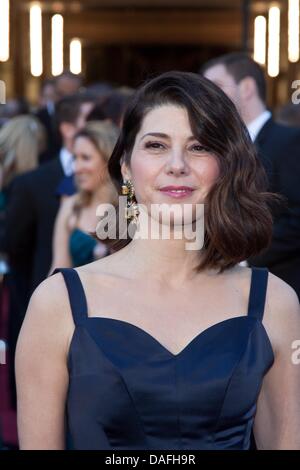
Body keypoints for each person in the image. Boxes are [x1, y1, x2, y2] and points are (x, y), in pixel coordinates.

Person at [16, 71, 300, 450]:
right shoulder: (57, 303)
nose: (177, 164)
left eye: (199, 147)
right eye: (156, 145)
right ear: (126, 167)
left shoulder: (275, 304)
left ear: (225, 166)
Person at [202, 52, 300, 299]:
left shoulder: (289, 142)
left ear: (246, 87)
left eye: (215, 87)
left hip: (279, 286)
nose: (206, 99)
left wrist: (239, 254)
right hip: (221, 287)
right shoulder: (214, 149)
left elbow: (297, 218)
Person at [50, 121, 119, 270]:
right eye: (75, 158)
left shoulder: (132, 207)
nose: (76, 168)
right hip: (77, 293)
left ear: (109, 160)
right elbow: (58, 269)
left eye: (86, 158)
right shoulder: (72, 206)